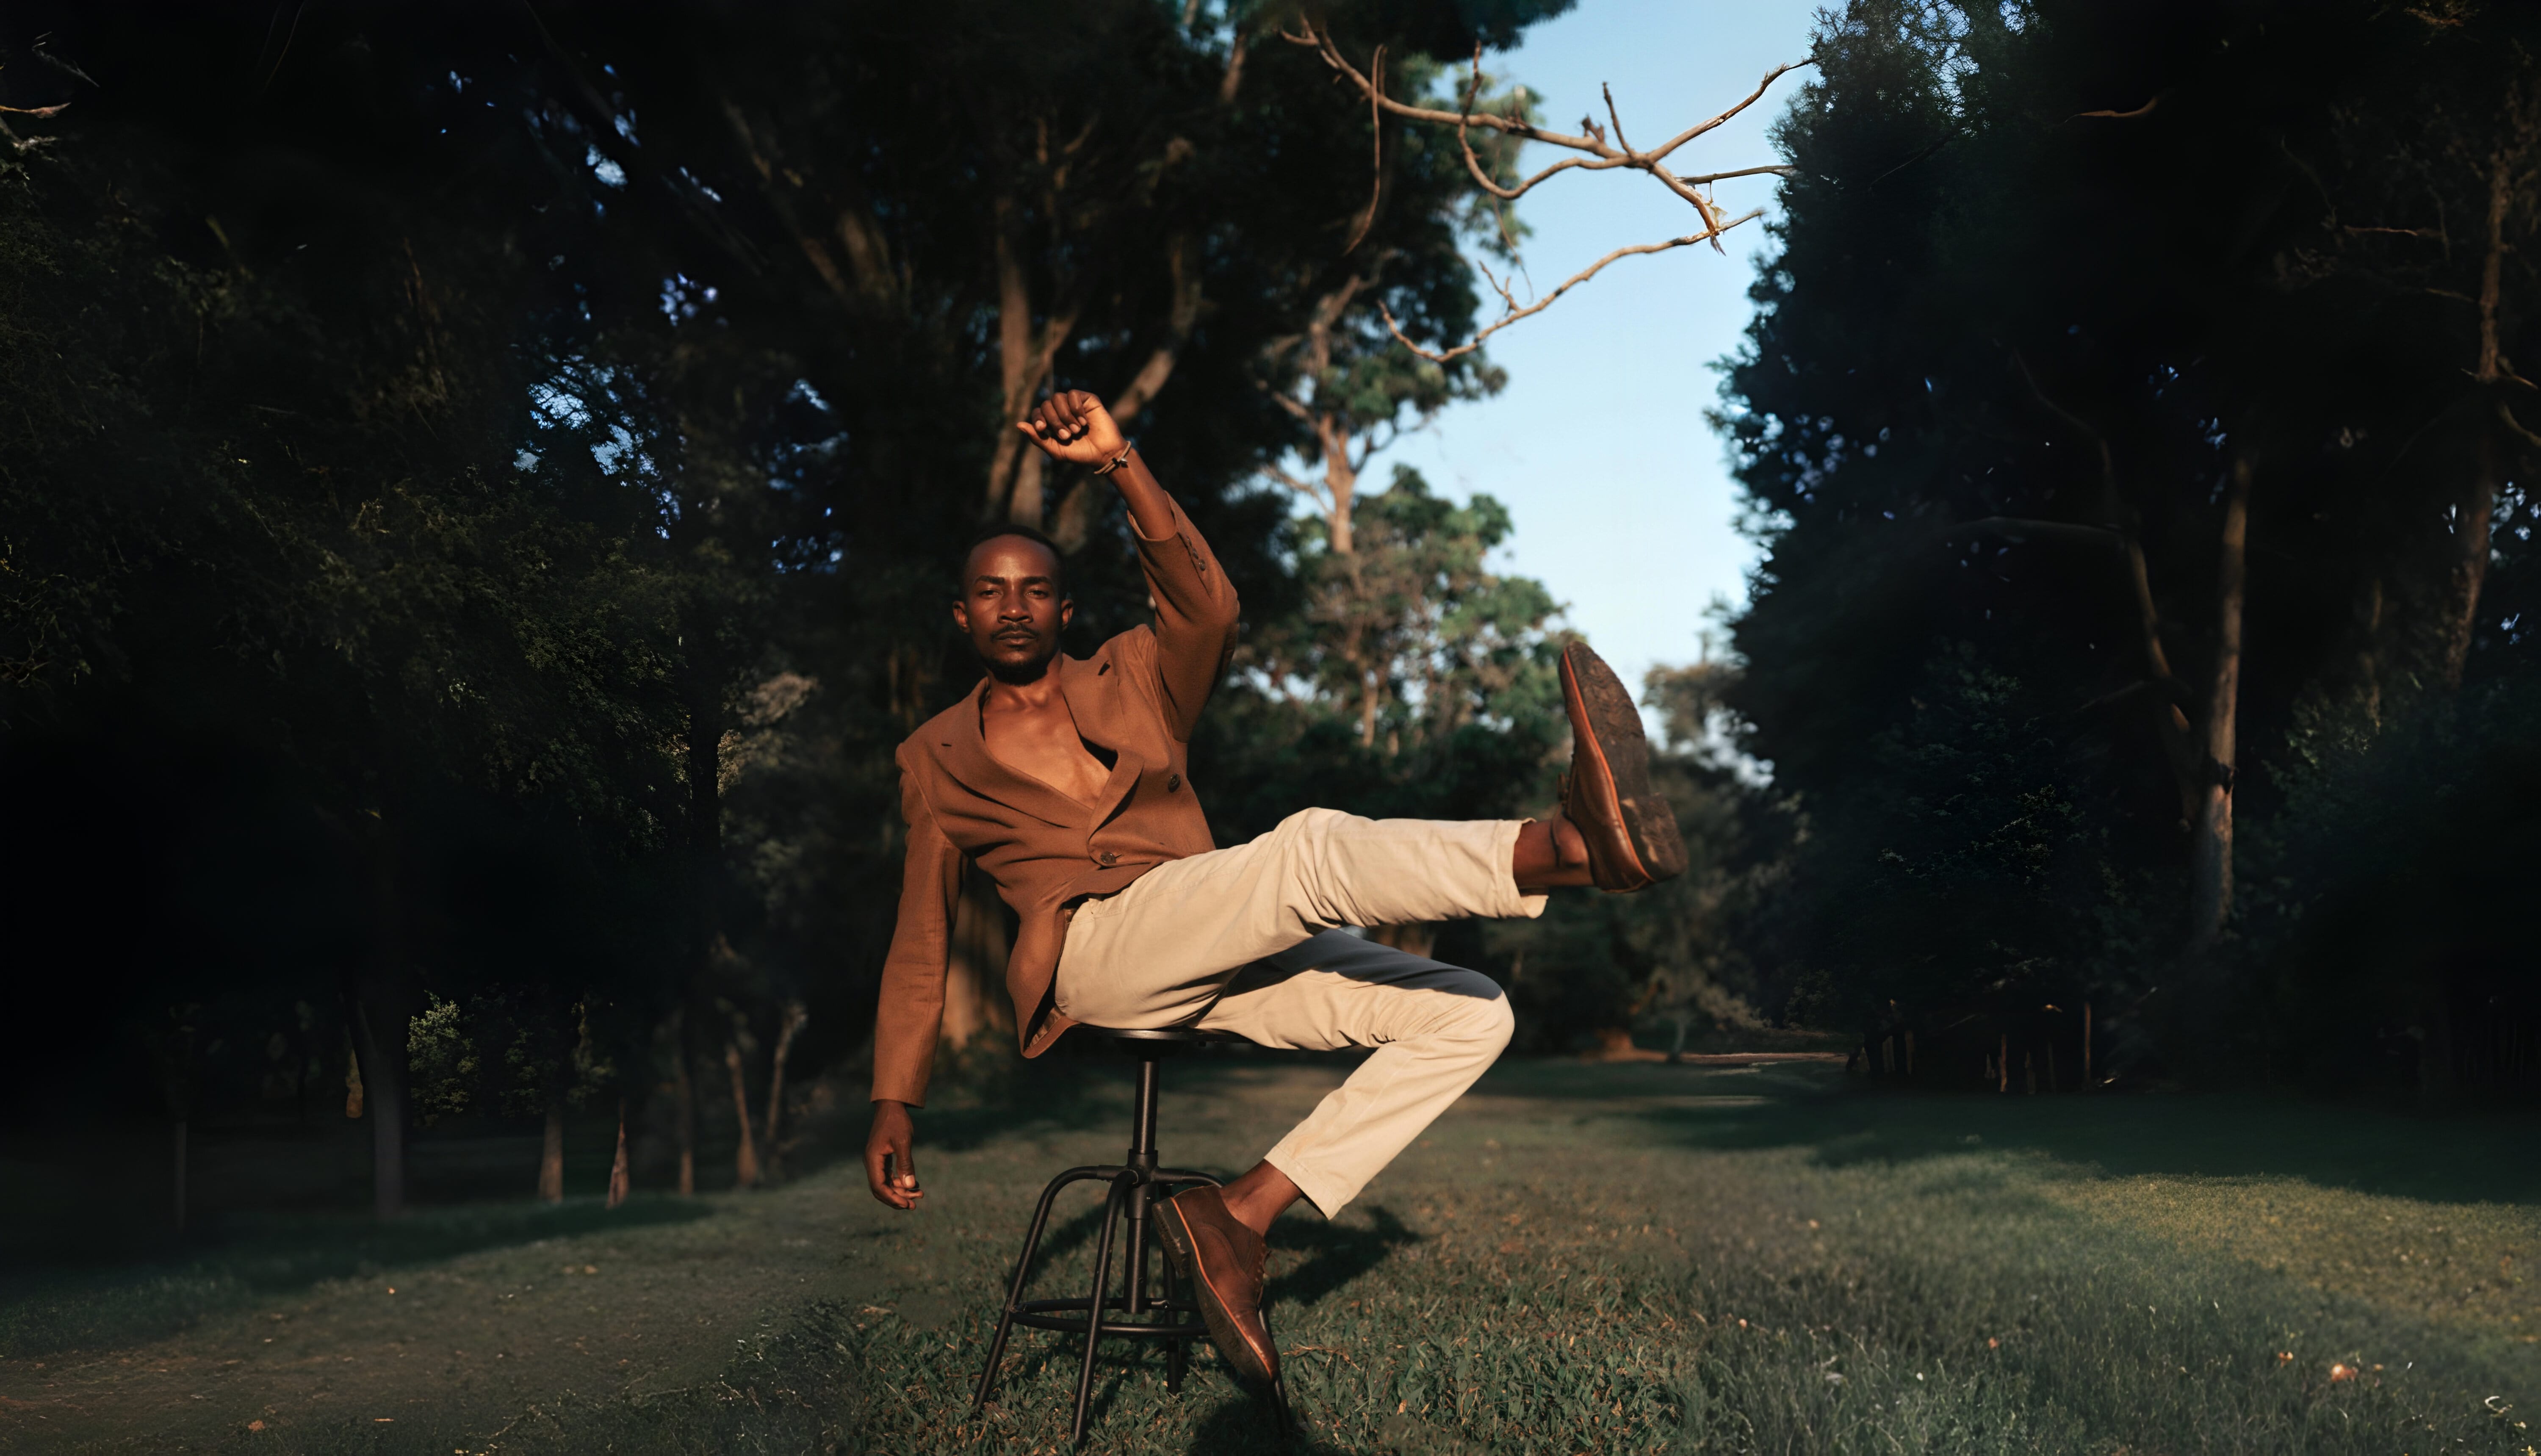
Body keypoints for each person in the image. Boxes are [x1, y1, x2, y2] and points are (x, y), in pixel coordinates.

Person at [864, 390, 1684, 1395]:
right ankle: (1569, 849)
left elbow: (1210, 608)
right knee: (1310, 852)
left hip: (1210, 934)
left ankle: (1237, 1216)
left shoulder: (1132, 678)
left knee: (1474, 1014)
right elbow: (920, 938)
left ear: (1064, 609)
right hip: (1096, 960)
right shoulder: (932, 758)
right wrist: (895, 1100)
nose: (1014, 606)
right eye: (991, 592)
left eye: (1034, 590)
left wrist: (1122, 463)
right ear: (963, 613)